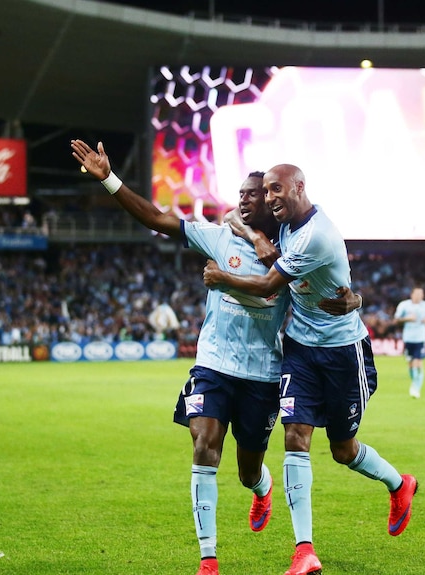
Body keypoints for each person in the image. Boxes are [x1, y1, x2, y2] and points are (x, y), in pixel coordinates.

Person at [70, 141, 360, 575]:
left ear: (273, 201)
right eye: (241, 193)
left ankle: (261, 490)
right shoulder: (219, 233)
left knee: (247, 471)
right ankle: (209, 560)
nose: (244, 199)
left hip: (262, 374)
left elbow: (327, 282)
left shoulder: (287, 250)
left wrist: (353, 300)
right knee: (204, 447)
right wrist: (110, 179)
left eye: (255, 194)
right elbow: (156, 218)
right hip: (213, 365)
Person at [202, 163, 418, 575]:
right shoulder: (282, 221)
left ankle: (398, 483)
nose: (269, 199)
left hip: (342, 351)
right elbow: (232, 216)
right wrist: (256, 234)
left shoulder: (317, 235)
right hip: (299, 347)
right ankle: (304, 551)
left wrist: (222, 277)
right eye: (265, 192)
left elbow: (268, 286)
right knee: (295, 437)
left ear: (300, 188)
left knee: (343, 450)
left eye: (276, 190)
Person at [394, 287, 425, 399]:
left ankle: (415, 388)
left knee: (418, 362)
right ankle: (414, 383)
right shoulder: (404, 305)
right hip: (408, 338)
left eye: (421, 294)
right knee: (411, 363)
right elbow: (396, 319)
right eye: (417, 294)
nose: (419, 296)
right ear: (411, 295)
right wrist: (407, 319)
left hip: (421, 338)